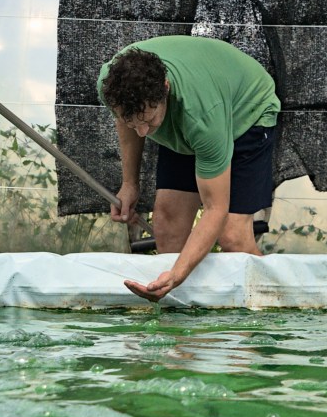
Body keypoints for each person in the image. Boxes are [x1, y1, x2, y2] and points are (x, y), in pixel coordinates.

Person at [98, 35, 281, 302]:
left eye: (148, 120)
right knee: (168, 224)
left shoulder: (202, 116)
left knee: (233, 238)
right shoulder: (111, 84)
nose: (142, 132)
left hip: (246, 111)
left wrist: (177, 274)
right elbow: (131, 121)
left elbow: (215, 209)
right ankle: (179, 318)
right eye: (132, 122)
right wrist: (129, 184)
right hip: (191, 111)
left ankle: (276, 304)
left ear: (166, 88)